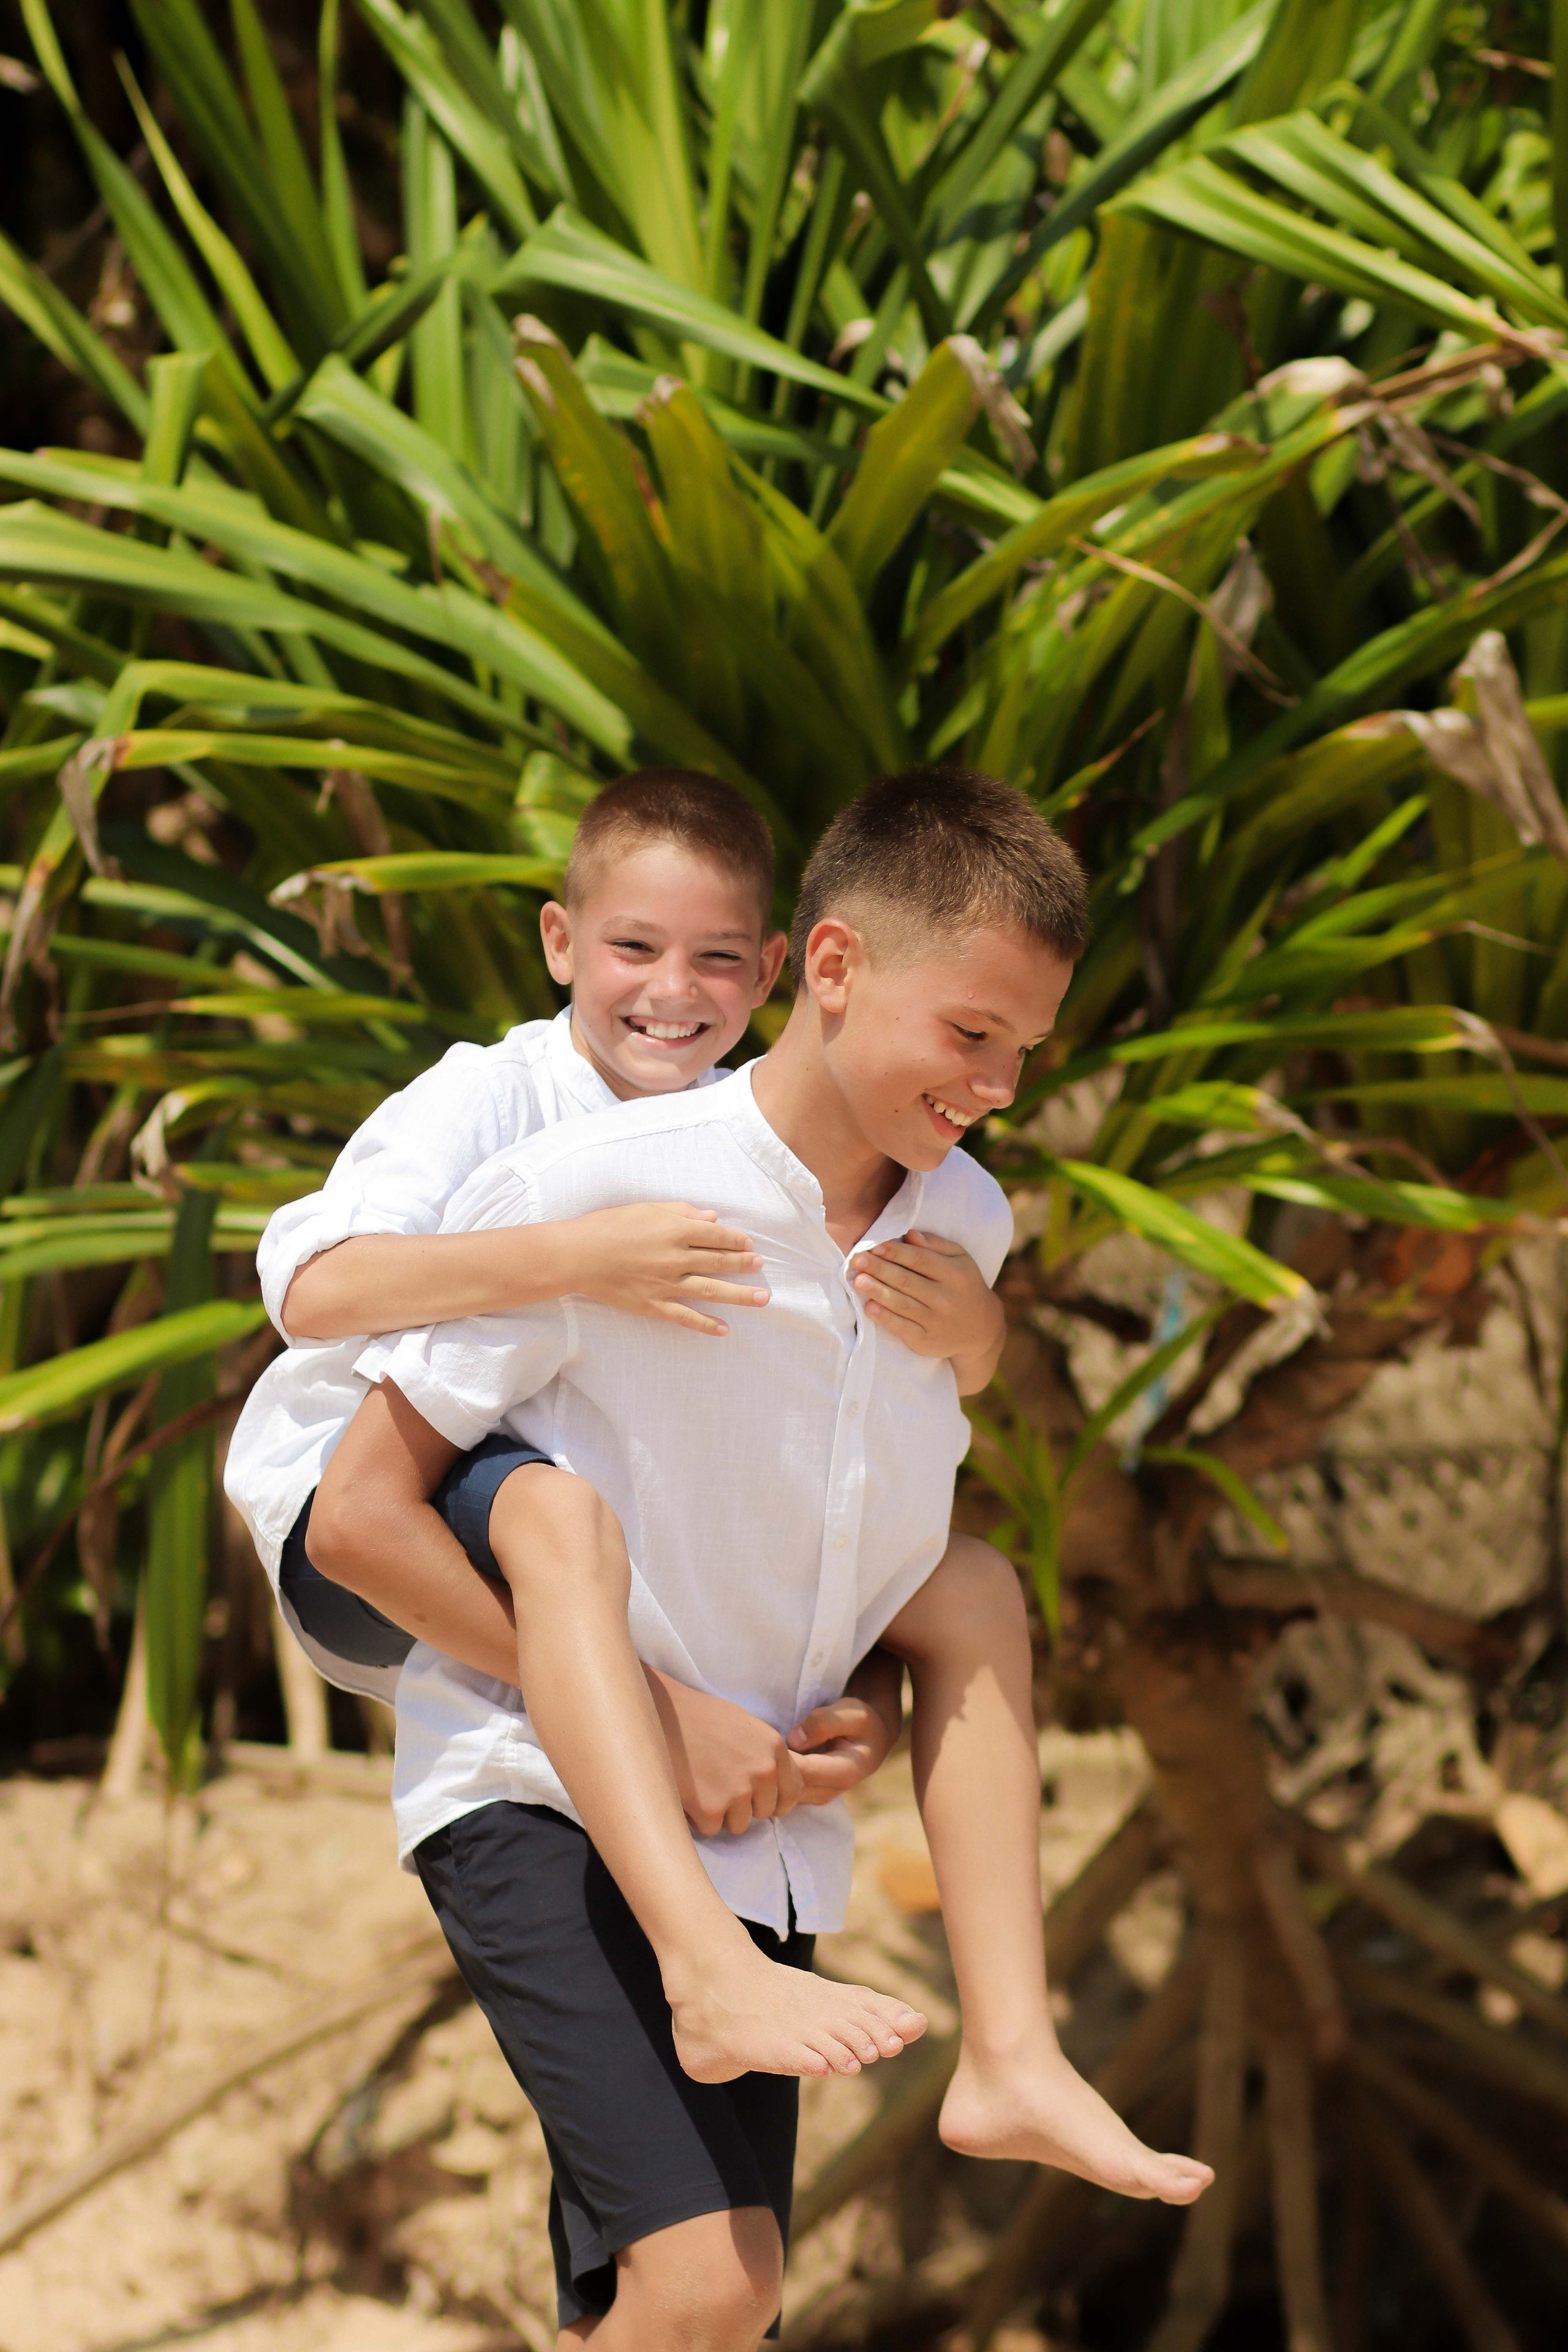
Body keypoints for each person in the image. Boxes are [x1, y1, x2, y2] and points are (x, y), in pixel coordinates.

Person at [307, 768, 1213, 2351]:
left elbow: (838, 1517)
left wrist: (862, 1667)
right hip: (544, 1798)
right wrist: (656, 1717)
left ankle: (1010, 2053)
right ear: (839, 968)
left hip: (758, 1822)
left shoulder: (968, 1222)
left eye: (1024, 1049)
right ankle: (741, 1982)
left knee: (721, 2304)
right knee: (705, 2287)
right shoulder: (605, 1195)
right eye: (971, 1034)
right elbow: (359, 1515)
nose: (997, 1081)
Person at [226, 766, 1003, 2076]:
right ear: (559, 944)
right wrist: (570, 1256)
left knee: (952, 1578)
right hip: (354, 1501)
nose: (671, 991)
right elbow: (312, 1288)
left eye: (712, 960)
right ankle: (675, 1833)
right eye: (632, 950)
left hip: (553, 1506)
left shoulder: (752, 1136)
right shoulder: (496, 1097)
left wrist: (972, 1335)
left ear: (769, 973)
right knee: (546, 1504)